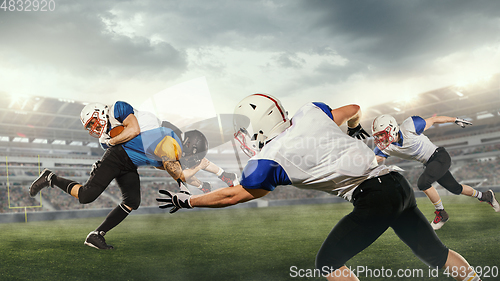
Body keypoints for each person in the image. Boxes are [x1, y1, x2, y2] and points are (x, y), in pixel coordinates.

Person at [157, 94, 483, 281]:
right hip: (398, 184)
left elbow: (233, 194)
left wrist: (190, 203)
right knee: (435, 254)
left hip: (374, 195)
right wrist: (355, 131)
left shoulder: (269, 158)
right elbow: (354, 109)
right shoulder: (310, 112)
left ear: (254, 129)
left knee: (326, 263)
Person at [29, 101, 208, 249]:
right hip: (119, 156)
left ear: (100, 112)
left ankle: (96, 234)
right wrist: (183, 185)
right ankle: (50, 178)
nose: (93, 127)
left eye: (92, 121)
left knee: (132, 201)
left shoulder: (117, 109)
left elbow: (135, 130)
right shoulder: (106, 140)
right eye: (89, 126)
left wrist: (198, 185)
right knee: (86, 195)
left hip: (129, 162)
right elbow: (125, 145)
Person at [371, 114, 500, 230]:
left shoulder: (410, 126)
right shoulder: (387, 147)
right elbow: (378, 158)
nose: (380, 139)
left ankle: (442, 213)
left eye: (382, 134)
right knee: (455, 188)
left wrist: (454, 120)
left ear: (392, 128)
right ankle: (486, 196)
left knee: (423, 183)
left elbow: (434, 120)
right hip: (430, 164)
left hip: (439, 156)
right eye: (378, 136)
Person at [161, 121, 239, 193]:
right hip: (158, 144)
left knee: (187, 163)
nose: (189, 158)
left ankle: (222, 177)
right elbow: (180, 176)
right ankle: (215, 180)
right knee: (183, 169)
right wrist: (198, 167)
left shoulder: (179, 140)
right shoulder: (170, 145)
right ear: (188, 144)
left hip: (159, 139)